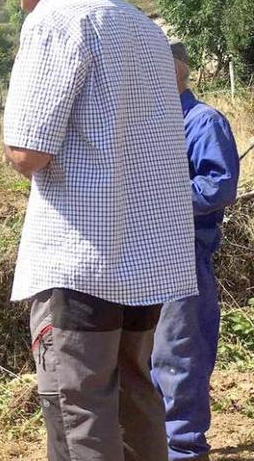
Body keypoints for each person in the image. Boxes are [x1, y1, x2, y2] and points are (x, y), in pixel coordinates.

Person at [2, 0, 198, 460]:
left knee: (79, 412)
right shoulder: (143, 27)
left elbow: (28, 152)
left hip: (80, 259)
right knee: (137, 396)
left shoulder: (56, 19)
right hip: (142, 260)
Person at [151, 41, 240, 461]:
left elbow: (218, 187)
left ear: (173, 72)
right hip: (143, 253)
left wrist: (159, 196)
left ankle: (185, 450)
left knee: (179, 355)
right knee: (149, 353)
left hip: (184, 254)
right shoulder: (151, 125)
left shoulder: (203, 123)